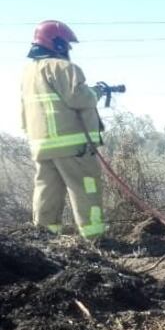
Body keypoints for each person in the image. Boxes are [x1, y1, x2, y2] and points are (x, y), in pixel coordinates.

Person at [19, 20, 106, 240]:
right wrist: (97, 91)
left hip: (41, 146)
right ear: (57, 43)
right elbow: (79, 98)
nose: (68, 49)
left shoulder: (28, 72)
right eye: (66, 44)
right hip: (72, 146)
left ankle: (45, 240)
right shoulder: (64, 68)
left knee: (47, 192)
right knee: (86, 189)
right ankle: (94, 240)